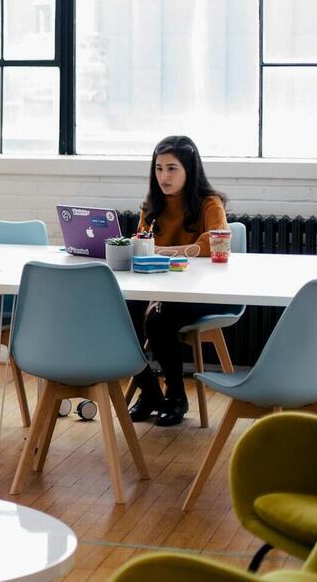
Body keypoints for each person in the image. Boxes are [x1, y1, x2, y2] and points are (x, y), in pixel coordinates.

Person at [127, 135, 232, 426]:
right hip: (157, 286)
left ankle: (176, 396)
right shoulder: (151, 205)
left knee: (158, 320)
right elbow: (141, 244)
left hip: (200, 291)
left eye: (172, 168)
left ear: (190, 170)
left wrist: (163, 251)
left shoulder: (209, 203)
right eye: (159, 168)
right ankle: (149, 391)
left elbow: (215, 243)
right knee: (119, 314)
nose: (164, 176)